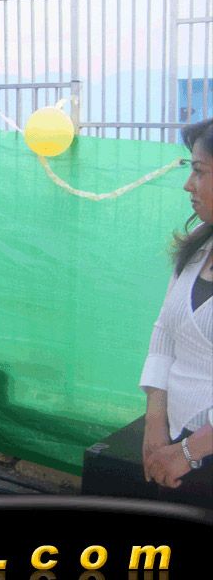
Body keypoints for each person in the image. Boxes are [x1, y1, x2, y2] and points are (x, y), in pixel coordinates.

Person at [140, 117, 213, 508]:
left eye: (199, 171)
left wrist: (189, 451)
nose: (188, 184)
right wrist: (155, 424)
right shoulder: (198, 246)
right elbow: (165, 332)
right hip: (175, 443)